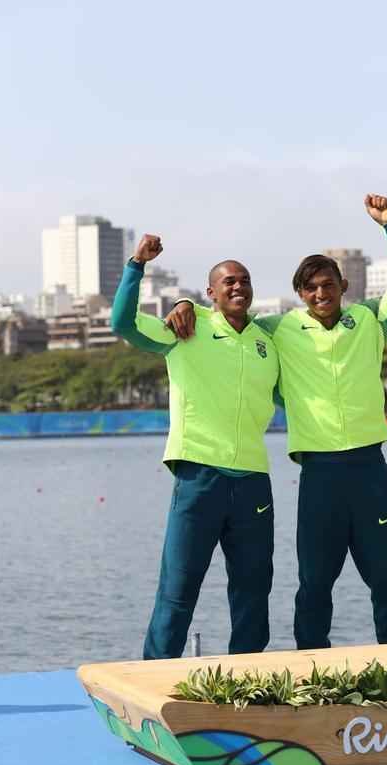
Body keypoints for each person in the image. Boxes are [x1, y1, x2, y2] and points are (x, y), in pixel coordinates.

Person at [166, 195, 387, 649]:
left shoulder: (371, 320)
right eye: (310, 289)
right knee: (314, 585)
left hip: (371, 470)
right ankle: (310, 669)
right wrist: (185, 299)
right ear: (300, 294)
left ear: (343, 285)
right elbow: (231, 316)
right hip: (320, 475)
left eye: (328, 285)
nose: (320, 295)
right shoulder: (280, 329)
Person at [111, 235, 279, 659]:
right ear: (211, 293)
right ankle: (155, 678)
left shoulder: (268, 341)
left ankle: (248, 678)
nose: (238, 287)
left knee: (253, 592)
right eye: (228, 282)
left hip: (254, 481)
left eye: (244, 280)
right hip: (199, 476)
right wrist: (136, 266)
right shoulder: (186, 329)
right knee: (179, 588)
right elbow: (123, 324)